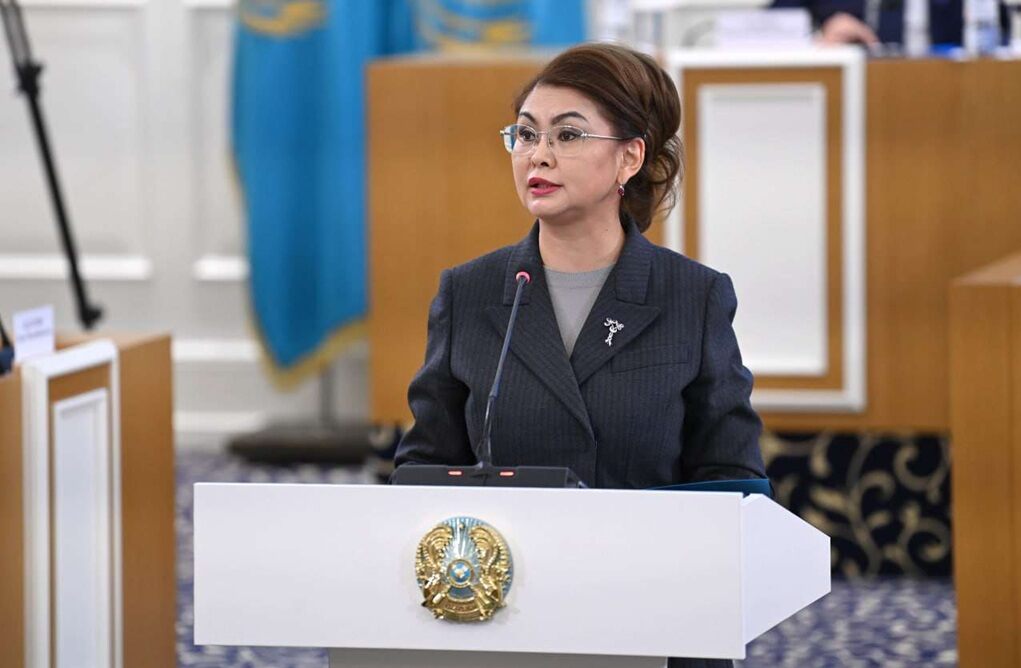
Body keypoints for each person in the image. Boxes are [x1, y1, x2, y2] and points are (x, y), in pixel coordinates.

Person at [393, 43, 767, 667]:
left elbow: (732, 480)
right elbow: (424, 470)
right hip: (500, 622)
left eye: (567, 135)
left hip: (653, 617)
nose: (538, 155)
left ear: (630, 157)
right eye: (525, 134)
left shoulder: (692, 296)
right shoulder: (470, 292)